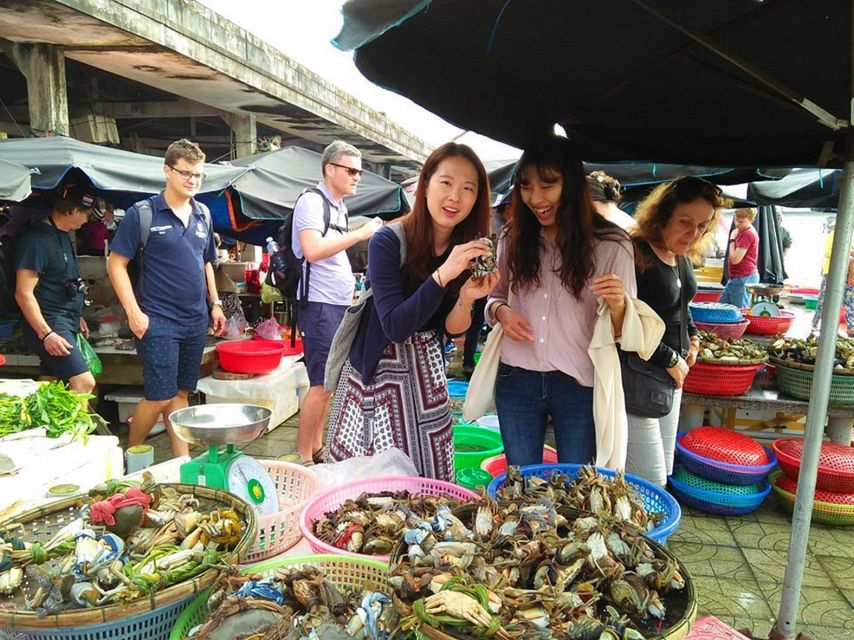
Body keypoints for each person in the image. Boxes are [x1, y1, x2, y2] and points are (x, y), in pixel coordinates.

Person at [325, 142, 497, 480]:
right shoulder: (388, 241)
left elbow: (452, 329)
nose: (455, 197)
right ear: (426, 184)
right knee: (375, 484)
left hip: (426, 376)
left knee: (428, 477)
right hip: (378, 375)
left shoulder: (466, 249)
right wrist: (444, 273)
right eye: (446, 183)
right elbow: (395, 325)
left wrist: (466, 297)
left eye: (468, 189)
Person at [486, 135, 636, 467]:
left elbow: (625, 335)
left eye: (548, 185)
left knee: (577, 486)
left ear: (571, 183)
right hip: (517, 379)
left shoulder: (612, 244)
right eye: (526, 186)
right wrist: (502, 311)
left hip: (579, 383)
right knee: (521, 484)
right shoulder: (512, 238)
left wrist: (619, 307)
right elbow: (493, 298)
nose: (534, 198)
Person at [108, 139, 225, 457]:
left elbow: (206, 262)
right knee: (159, 395)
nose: (192, 180)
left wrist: (214, 303)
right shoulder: (142, 214)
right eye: (186, 173)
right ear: (167, 171)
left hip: (194, 319)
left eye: (198, 175)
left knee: (181, 393)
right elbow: (116, 263)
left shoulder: (202, 214)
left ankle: (181, 460)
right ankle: (131, 455)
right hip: (157, 319)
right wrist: (134, 312)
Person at [626, 176, 725, 486]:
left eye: (702, 226)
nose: (693, 233)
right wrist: (670, 358)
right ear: (662, 214)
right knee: (651, 480)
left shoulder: (681, 256)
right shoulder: (635, 252)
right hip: (638, 378)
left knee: (665, 470)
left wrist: (693, 337)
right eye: (685, 222)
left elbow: (681, 307)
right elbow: (623, 322)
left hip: (672, 378)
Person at [293, 140, 383, 465]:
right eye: (351, 170)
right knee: (319, 383)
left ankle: (317, 448)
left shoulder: (338, 205)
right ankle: (303, 457)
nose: (357, 176)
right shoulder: (311, 202)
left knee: (329, 382)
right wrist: (360, 234)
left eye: (359, 170)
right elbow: (312, 250)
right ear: (330, 169)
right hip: (319, 305)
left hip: (336, 305)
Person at [15, 186, 102, 393]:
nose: (88, 219)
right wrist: (47, 334)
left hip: (65, 320)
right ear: (71, 211)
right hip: (49, 322)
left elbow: (61, 281)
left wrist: (75, 314)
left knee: (49, 385)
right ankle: (74, 427)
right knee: (84, 382)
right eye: (86, 213)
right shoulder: (36, 240)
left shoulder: (62, 234)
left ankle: (42, 426)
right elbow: (23, 292)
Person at [719, 207, 760, 308]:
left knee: (739, 311)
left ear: (751, 220)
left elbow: (735, 260)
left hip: (744, 276)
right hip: (737, 276)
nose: (737, 224)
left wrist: (732, 239)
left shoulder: (747, 233)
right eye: (735, 219)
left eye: (741, 221)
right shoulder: (742, 231)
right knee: (721, 308)